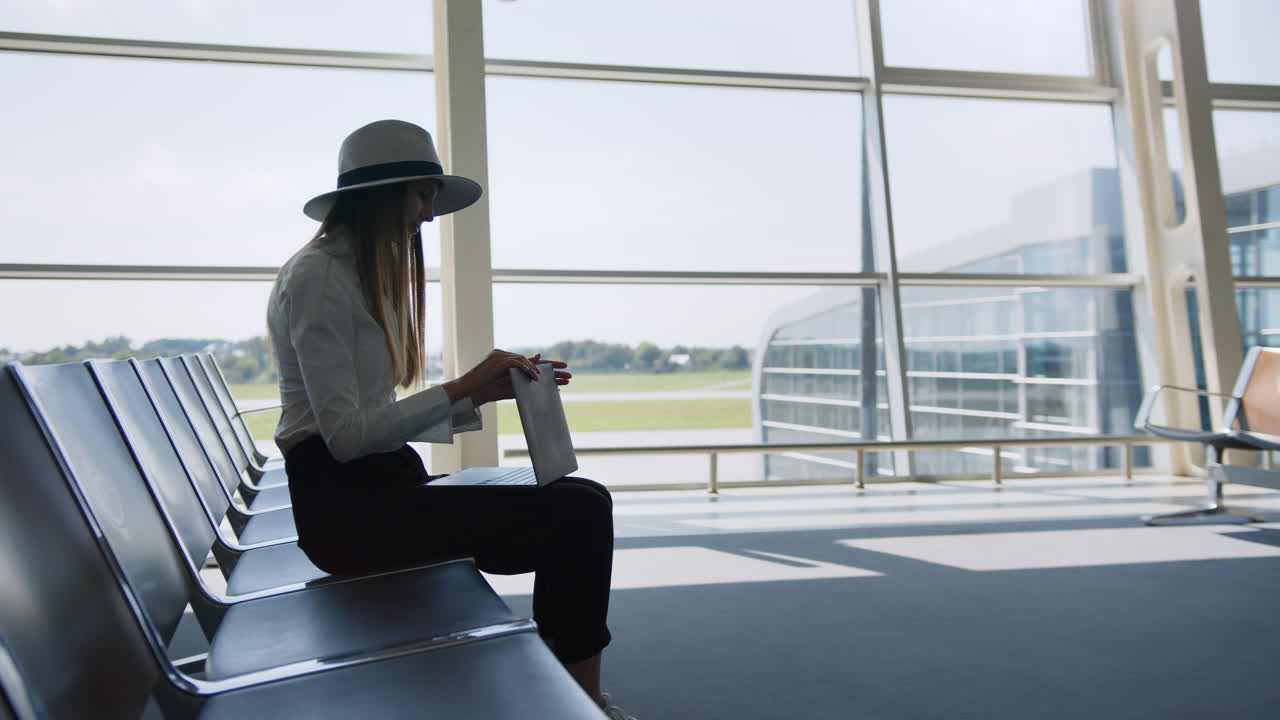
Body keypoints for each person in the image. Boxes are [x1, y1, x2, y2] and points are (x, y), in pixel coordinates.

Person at [267, 119, 635, 720]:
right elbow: (346, 439)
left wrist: (480, 395)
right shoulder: (319, 277)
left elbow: (370, 423)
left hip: (379, 488)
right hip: (347, 513)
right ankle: (579, 703)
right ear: (382, 195)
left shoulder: (350, 272)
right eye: (422, 194)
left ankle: (573, 695)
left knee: (584, 499)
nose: (429, 214)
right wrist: (461, 385)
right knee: (580, 513)